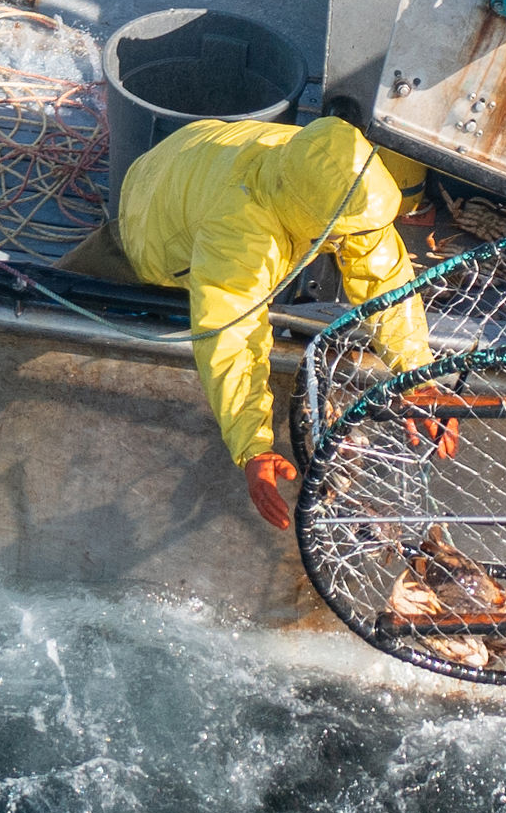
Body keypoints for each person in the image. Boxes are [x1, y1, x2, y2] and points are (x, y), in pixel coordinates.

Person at [114, 115, 431, 534]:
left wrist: (417, 374)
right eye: (345, 232)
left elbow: (382, 277)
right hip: (148, 219)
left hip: (194, 150)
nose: (364, 236)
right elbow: (232, 334)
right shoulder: (240, 233)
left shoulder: (326, 166)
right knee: (182, 295)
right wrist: (253, 445)